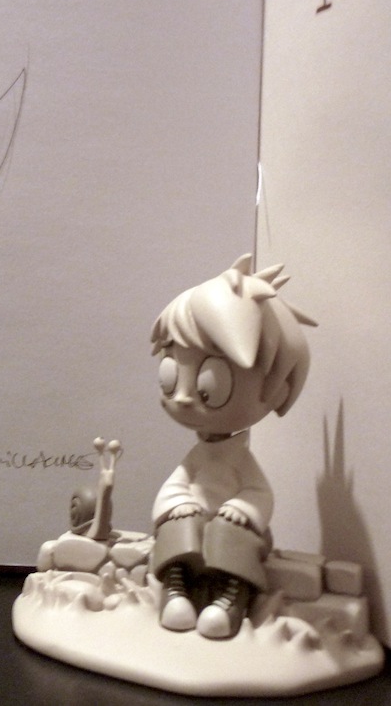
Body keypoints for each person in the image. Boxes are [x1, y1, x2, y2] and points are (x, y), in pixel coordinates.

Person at [149, 254, 315, 638]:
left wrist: (241, 509)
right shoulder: (196, 457)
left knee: (229, 530)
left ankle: (231, 596)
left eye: (210, 383)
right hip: (194, 534)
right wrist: (178, 503)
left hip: (234, 537)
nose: (184, 397)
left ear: (277, 390)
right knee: (177, 522)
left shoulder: (241, 459)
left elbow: (259, 493)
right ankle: (176, 587)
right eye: (171, 374)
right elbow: (175, 485)